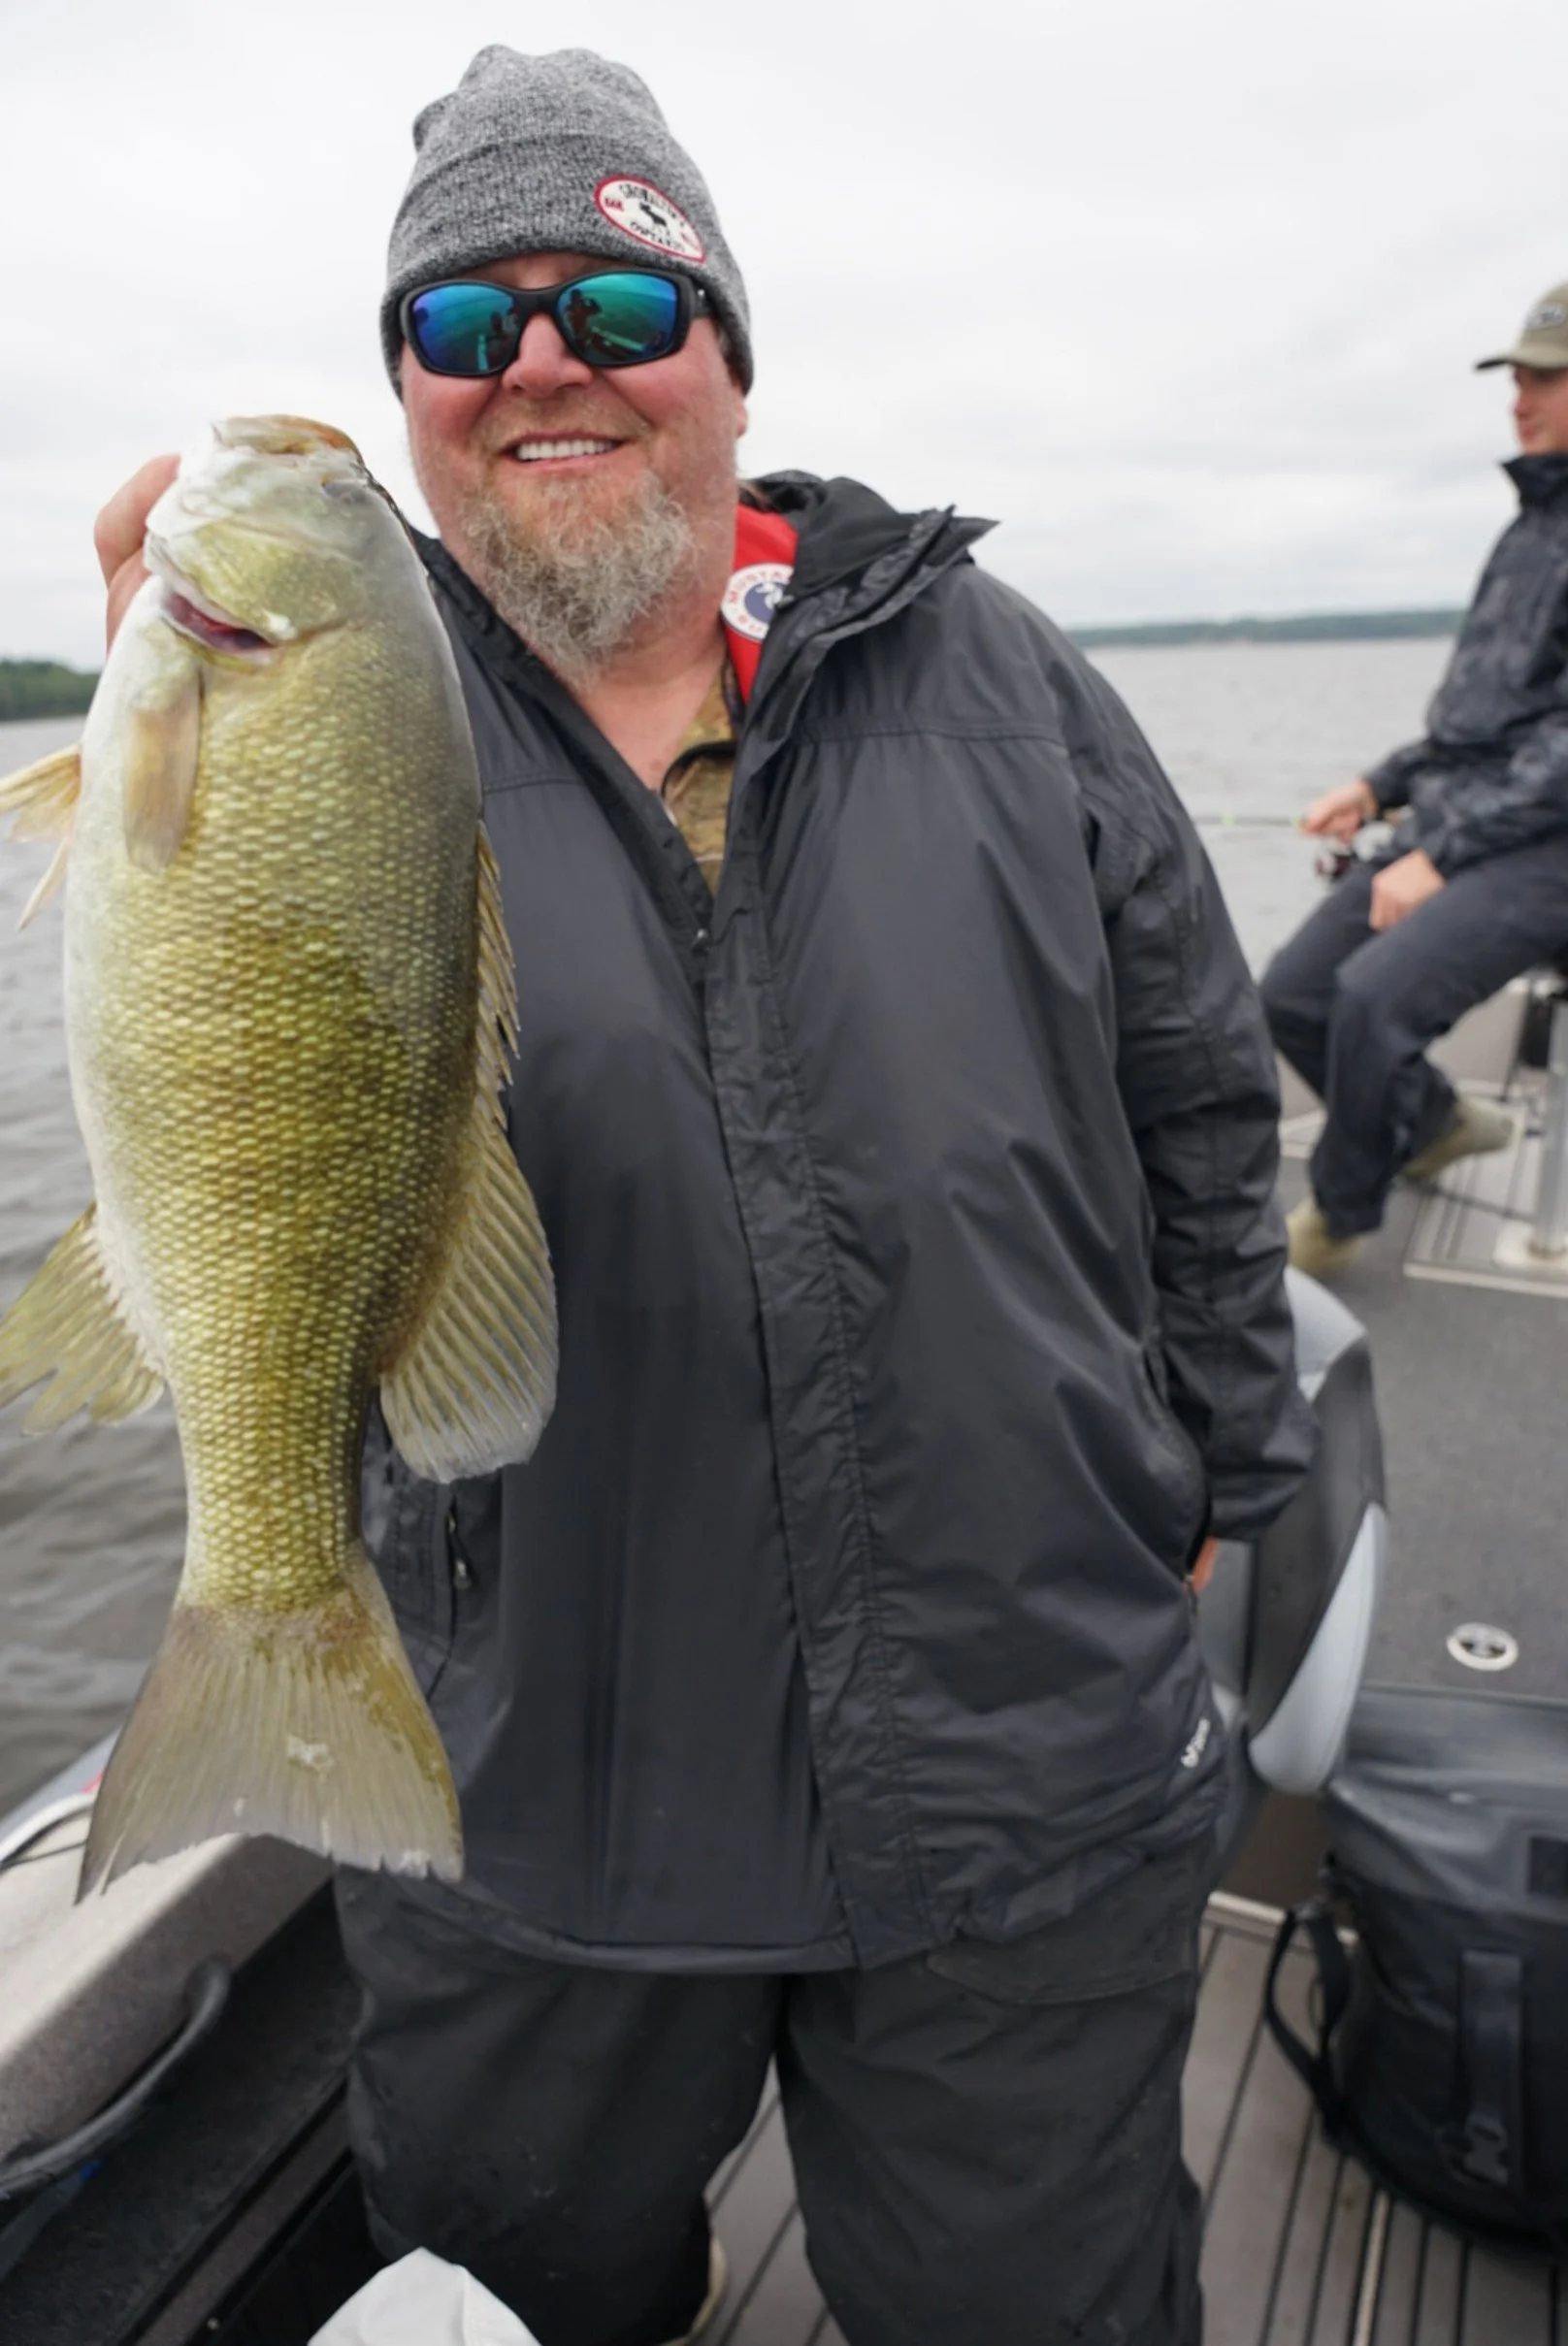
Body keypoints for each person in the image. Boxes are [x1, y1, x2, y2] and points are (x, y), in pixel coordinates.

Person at [95, 49, 1313, 2346]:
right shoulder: (328, 712)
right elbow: (205, 1066)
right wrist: (185, 707)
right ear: (412, 404)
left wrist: (1222, 1470)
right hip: (537, 1770)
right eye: (461, 325)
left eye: (615, 304)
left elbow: (1190, 1100)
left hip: (1017, 1757)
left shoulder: (999, 673)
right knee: (519, 2287)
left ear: (728, 357)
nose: (539, 360)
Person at [1262, 281, 1568, 1279]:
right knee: (1290, 995)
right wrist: (1379, 782)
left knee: (1368, 1000)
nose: (1518, 397)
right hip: (1471, 823)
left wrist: (1439, 851)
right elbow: (1478, 720)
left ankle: (1340, 1217)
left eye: (1544, 377)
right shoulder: (1526, 528)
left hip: (1542, 846)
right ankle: (1433, 1122)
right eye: (1516, 375)